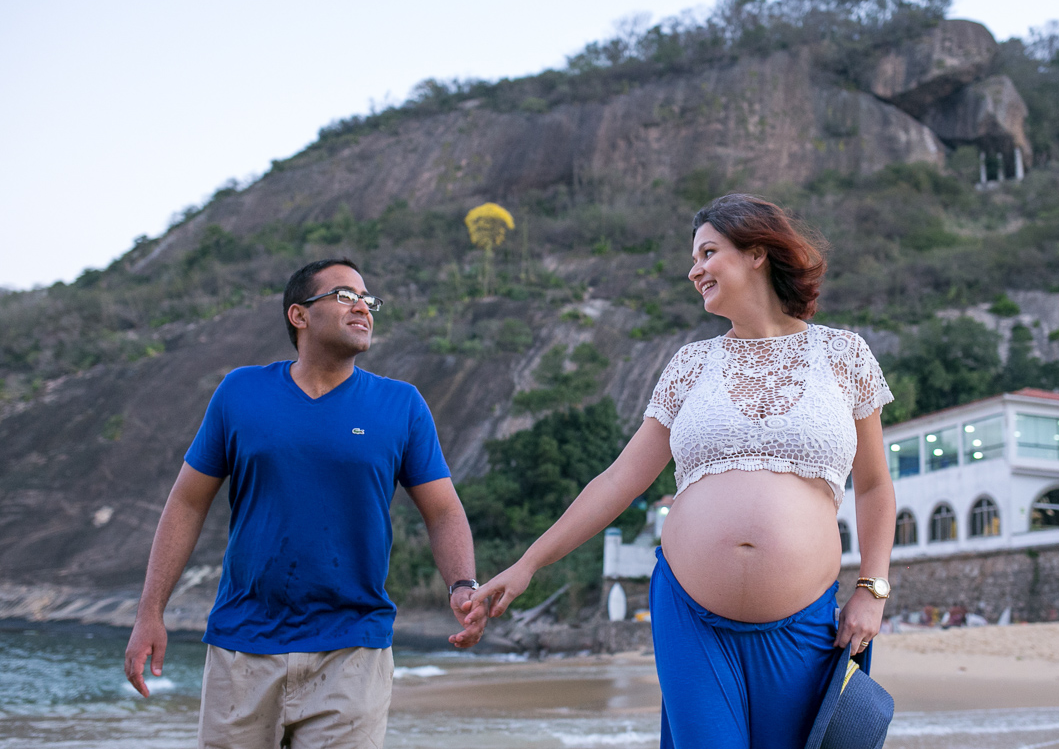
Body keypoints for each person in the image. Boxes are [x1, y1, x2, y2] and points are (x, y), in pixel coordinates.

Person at [464, 194, 896, 748]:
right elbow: (619, 480)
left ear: (757, 252)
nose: (694, 271)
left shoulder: (844, 354)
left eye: (708, 252)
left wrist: (872, 589)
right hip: (690, 616)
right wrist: (528, 564)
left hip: (806, 621)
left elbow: (874, 486)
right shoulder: (690, 365)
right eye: (693, 259)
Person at [124, 258, 486, 748]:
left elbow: (443, 511)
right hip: (242, 647)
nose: (362, 307)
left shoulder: (401, 405)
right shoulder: (240, 392)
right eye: (345, 295)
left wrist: (462, 585)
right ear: (299, 315)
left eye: (367, 299)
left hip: (352, 649)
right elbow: (187, 504)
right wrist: (150, 612)